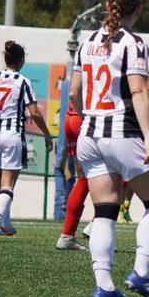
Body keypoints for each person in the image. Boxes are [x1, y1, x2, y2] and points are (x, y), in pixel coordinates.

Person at [70, 0, 149, 297]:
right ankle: (140, 273)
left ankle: (105, 287)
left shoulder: (86, 43)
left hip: (90, 134)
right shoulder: (133, 43)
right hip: (123, 134)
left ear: (107, 7)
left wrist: (92, 115)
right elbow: (139, 91)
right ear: (138, 9)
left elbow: (74, 92)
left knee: (104, 211)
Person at [0, 41, 54, 236]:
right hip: (12, 135)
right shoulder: (22, 81)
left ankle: (5, 222)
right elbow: (34, 112)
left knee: (1, 182)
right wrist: (47, 134)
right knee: (9, 184)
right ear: (21, 61)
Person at [55, 99, 88, 251]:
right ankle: (96, 228)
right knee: (116, 176)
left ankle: (67, 235)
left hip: (71, 117)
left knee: (84, 179)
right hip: (85, 118)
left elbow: (74, 92)